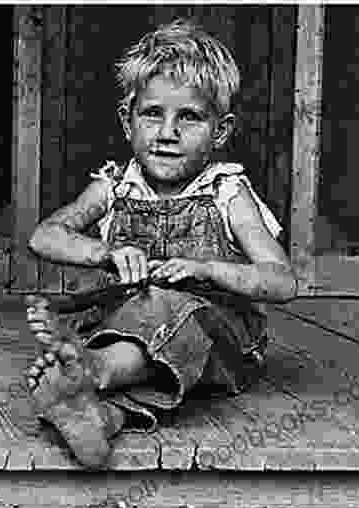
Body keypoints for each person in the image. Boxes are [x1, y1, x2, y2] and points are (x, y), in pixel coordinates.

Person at [23, 20, 298, 469]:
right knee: (136, 313)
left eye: (189, 117)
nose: (167, 132)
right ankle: (101, 414)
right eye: (153, 113)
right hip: (129, 333)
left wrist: (207, 269)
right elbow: (44, 236)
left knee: (171, 308)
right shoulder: (114, 185)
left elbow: (282, 281)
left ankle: (91, 372)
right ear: (126, 120)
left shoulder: (227, 191)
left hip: (218, 344)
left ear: (221, 131)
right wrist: (104, 253)